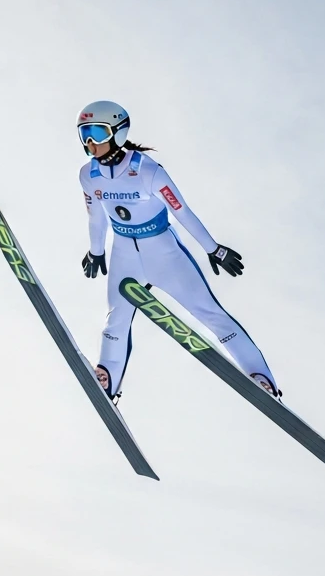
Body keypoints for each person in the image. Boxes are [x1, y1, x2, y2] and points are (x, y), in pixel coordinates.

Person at [77, 100, 278, 401]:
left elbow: (182, 212)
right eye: (84, 135)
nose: (91, 143)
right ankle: (108, 378)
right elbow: (96, 216)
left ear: (118, 132)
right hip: (124, 255)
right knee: (115, 319)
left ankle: (258, 376)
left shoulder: (147, 171)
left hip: (164, 253)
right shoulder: (88, 175)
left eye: (97, 132)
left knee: (210, 313)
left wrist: (214, 249)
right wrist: (96, 251)